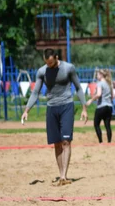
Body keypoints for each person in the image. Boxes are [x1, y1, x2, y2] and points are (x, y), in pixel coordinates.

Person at [21, 48, 88, 186]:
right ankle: (61, 174)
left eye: (51, 62)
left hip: (66, 105)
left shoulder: (68, 68)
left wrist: (84, 108)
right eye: (47, 63)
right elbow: (35, 92)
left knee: (66, 141)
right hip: (51, 107)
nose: (49, 66)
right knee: (56, 143)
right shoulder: (42, 71)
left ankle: (64, 176)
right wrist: (27, 110)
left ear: (56, 57)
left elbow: (79, 88)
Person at [86, 69, 113, 143]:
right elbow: (112, 96)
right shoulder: (109, 84)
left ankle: (101, 142)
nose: (97, 76)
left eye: (97, 74)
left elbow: (98, 94)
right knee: (107, 125)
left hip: (101, 106)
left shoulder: (100, 83)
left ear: (101, 75)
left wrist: (91, 100)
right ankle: (109, 142)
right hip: (109, 106)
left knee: (96, 124)